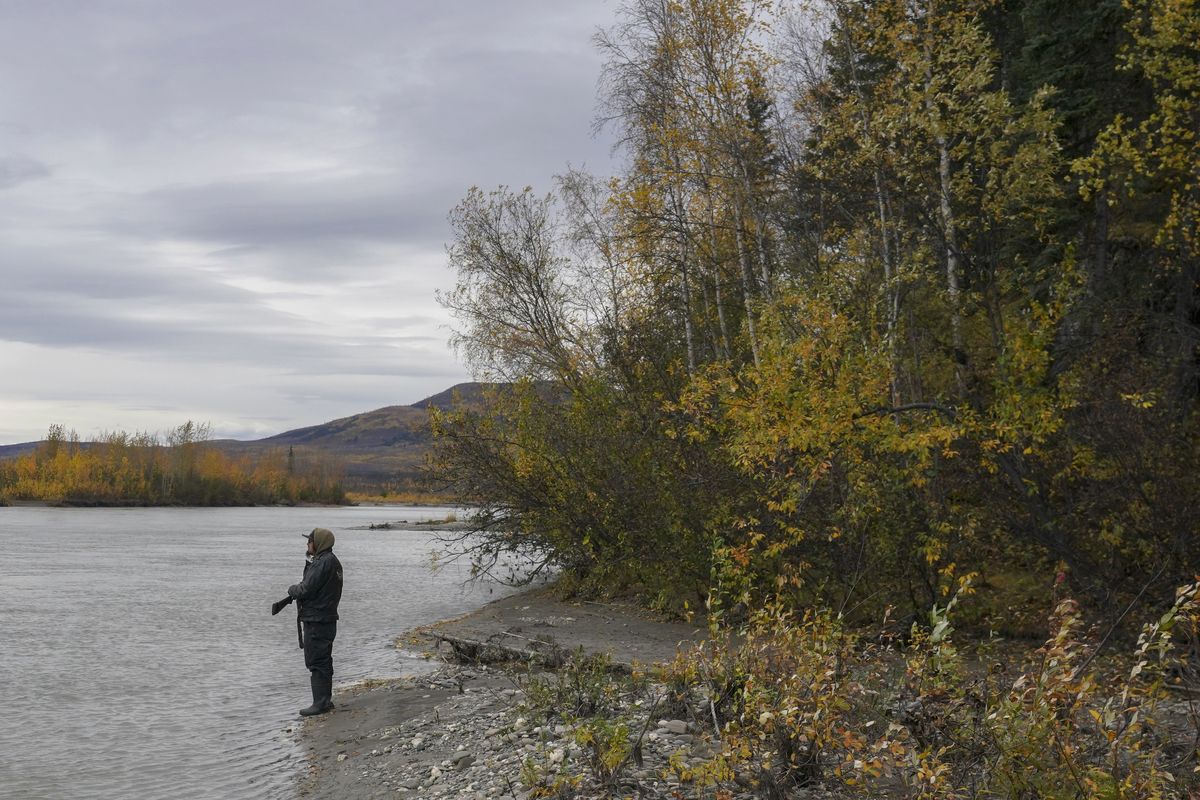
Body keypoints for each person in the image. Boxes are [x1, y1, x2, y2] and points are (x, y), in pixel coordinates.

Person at [286, 527, 343, 716]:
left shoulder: (322, 563)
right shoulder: (331, 562)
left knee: (316, 661)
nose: (307, 544)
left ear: (318, 543)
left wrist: (292, 589)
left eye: (310, 541)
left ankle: (320, 703)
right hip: (326, 618)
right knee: (323, 660)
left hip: (317, 620)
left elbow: (305, 589)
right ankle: (325, 701)